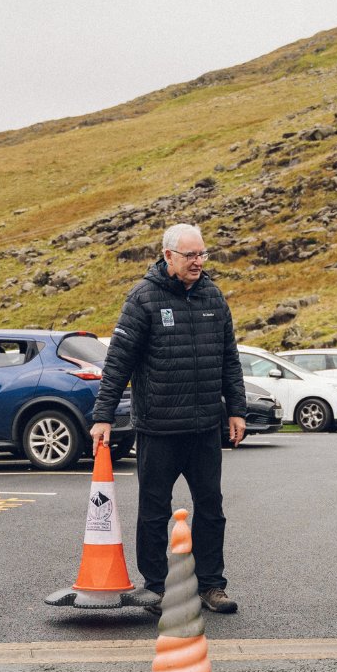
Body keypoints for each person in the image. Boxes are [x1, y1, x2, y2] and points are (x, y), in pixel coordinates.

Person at [90, 222, 247, 614]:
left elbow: (230, 358)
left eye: (202, 254)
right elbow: (118, 361)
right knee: (154, 510)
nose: (198, 262)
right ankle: (155, 588)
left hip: (205, 428)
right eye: (190, 255)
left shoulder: (213, 296)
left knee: (211, 508)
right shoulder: (143, 298)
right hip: (159, 428)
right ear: (168, 256)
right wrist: (103, 416)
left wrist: (237, 410)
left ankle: (213, 586)